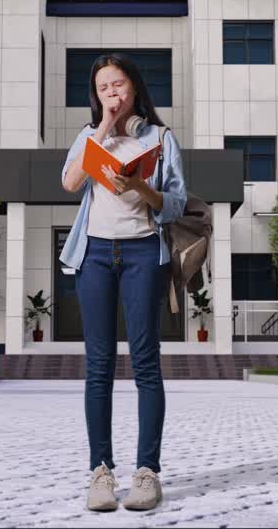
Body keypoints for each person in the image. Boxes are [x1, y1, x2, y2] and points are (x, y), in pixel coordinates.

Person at [59, 53, 187, 512]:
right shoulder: (87, 138)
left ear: (135, 87)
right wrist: (101, 131)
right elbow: (71, 183)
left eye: (118, 85)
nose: (111, 94)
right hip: (94, 255)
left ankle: (147, 473)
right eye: (103, 88)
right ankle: (100, 472)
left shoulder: (160, 138)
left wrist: (141, 188)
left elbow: (175, 204)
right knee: (99, 366)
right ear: (95, 96)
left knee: (146, 363)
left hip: (140, 255)